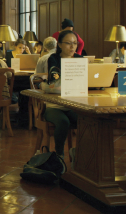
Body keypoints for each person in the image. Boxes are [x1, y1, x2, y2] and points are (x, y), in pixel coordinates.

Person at [45, 30, 83, 158]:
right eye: (68, 43)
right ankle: (59, 154)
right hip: (55, 105)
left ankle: (78, 151)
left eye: (75, 43)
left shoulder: (79, 59)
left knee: (86, 120)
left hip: (73, 104)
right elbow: (54, 83)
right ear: (60, 44)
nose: (72, 47)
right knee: (63, 122)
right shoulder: (54, 59)